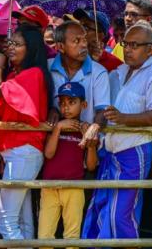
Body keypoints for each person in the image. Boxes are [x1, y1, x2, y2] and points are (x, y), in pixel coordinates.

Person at [82, 22, 152, 241]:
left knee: (121, 214)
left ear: (150, 49)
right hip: (109, 150)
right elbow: (105, 107)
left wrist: (123, 119)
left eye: (135, 45)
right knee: (101, 208)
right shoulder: (119, 71)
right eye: (125, 44)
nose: (128, 49)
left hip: (134, 149)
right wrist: (97, 123)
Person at [0, 25, 53, 241]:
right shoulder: (22, 74)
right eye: (10, 43)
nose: (10, 48)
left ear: (31, 48)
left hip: (23, 153)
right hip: (18, 153)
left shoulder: (32, 74)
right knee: (23, 220)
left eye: (17, 44)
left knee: (5, 220)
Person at [38, 82, 98, 249]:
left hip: (74, 187)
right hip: (49, 187)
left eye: (72, 102)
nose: (66, 108)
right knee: (44, 236)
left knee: (72, 237)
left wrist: (91, 143)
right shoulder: (55, 127)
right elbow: (49, 154)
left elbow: (91, 166)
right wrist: (57, 128)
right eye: (63, 103)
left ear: (83, 105)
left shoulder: (85, 130)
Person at [49, 21, 110, 128]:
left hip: (86, 139)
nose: (84, 45)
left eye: (84, 39)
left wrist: (94, 129)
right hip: (54, 139)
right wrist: (53, 110)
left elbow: (102, 110)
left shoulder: (99, 72)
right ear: (61, 47)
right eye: (76, 41)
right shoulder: (48, 67)